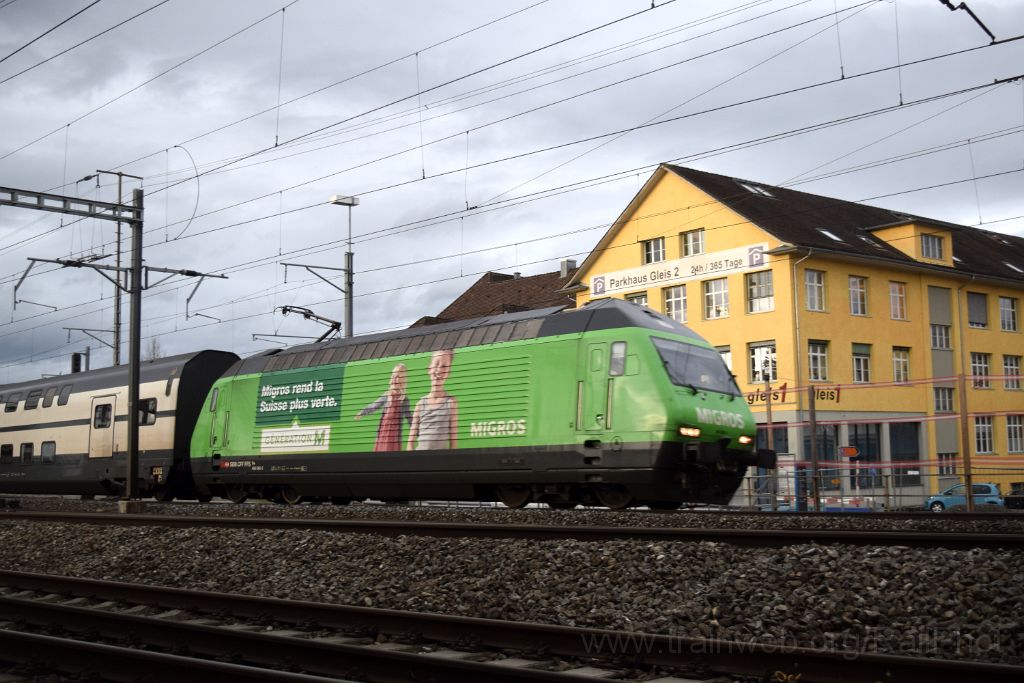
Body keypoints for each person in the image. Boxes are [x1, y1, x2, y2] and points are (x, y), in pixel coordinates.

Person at [407, 349, 459, 450]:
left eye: (444, 366)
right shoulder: (420, 404)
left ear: (449, 372)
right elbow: (410, 442)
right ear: (429, 368)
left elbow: (454, 442)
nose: (439, 370)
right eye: (436, 364)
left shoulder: (451, 403)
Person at [354, 363, 411, 452]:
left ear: (402, 380)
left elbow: (409, 417)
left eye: (398, 377)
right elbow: (375, 406)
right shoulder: (387, 395)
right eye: (394, 376)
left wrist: (418, 431)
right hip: (383, 433)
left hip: (394, 437)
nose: (395, 379)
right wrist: (362, 412)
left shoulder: (404, 399)